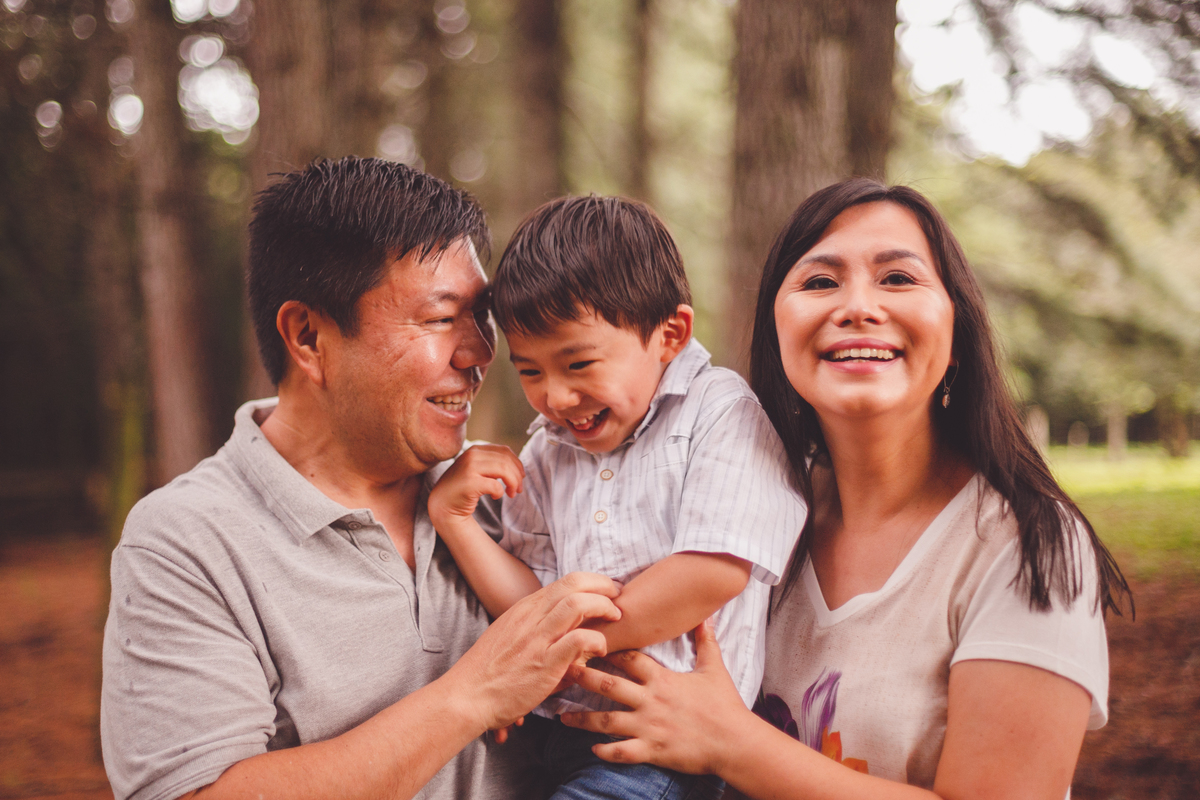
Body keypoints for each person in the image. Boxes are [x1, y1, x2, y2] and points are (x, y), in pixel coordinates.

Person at [559, 179, 1131, 799]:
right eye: (820, 282)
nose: (858, 306)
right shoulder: (736, 515)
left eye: (898, 279)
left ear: (958, 333)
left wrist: (731, 743)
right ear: (776, 331)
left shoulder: (1025, 544)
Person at [99, 157, 624, 800]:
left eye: (479, 316)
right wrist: (475, 693)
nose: (481, 354)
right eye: (438, 319)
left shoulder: (510, 493)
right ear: (308, 335)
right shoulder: (186, 542)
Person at [424, 195, 807, 800]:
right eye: (530, 372)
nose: (556, 396)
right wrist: (455, 521)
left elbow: (712, 573)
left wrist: (557, 649)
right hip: (553, 732)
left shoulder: (719, 412)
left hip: (661, 738)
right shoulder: (546, 454)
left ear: (669, 336)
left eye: (579, 363)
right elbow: (531, 601)